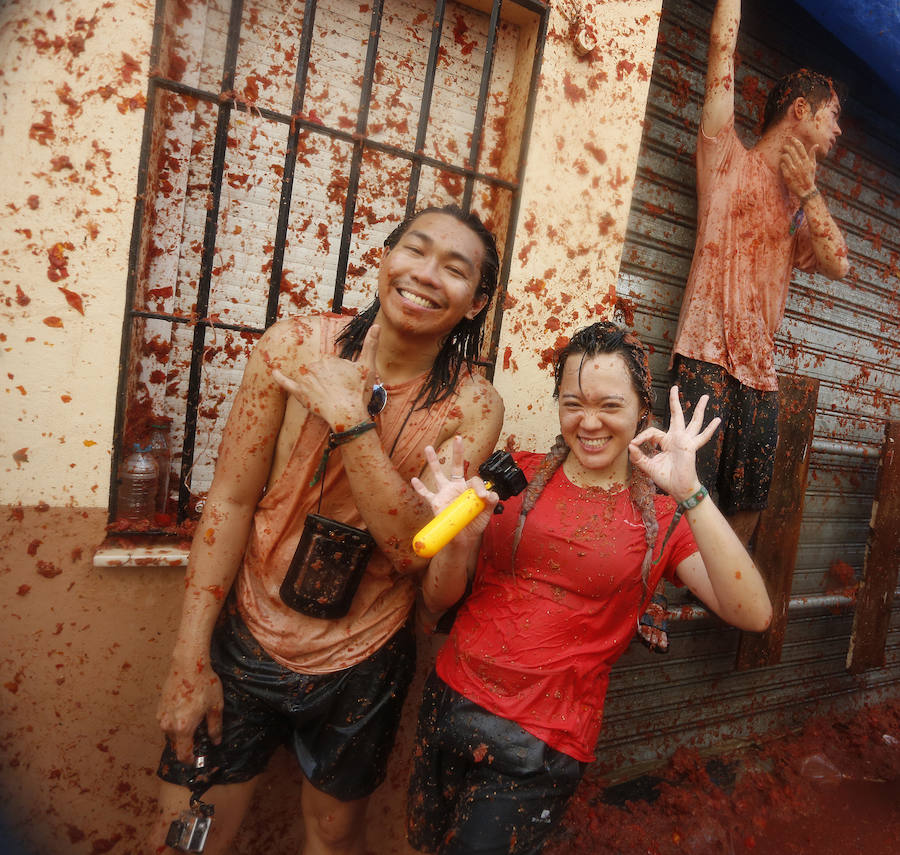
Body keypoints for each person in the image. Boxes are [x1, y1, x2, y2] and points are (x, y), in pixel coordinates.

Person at [149, 205, 505, 855]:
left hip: (366, 657)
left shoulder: (473, 405)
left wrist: (352, 420)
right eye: (414, 250)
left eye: (454, 270)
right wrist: (188, 657)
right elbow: (228, 501)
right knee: (185, 837)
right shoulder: (292, 347)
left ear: (477, 302)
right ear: (384, 258)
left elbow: (411, 550)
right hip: (248, 631)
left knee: (334, 836)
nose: (426, 275)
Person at [406, 321, 773, 855]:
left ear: (641, 413)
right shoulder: (510, 479)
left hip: (542, 743)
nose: (590, 422)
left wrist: (691, 490)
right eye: (574, 403)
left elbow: (754, 613)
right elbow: (437, 600)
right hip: (449, 701)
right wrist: (460, 543)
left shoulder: (663, 519)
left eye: (610, 405)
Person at [671, 0, 849, 546]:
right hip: (704, 353)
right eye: (833, 115)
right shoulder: (726, 155)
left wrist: (810, 195)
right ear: (801, 110)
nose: (839, 129)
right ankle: (658, 596)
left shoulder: (801, 203)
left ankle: (718, 589)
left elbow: (839, 264)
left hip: (760, 369)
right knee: (682, 494)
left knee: (750, 502)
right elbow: (722, 52)